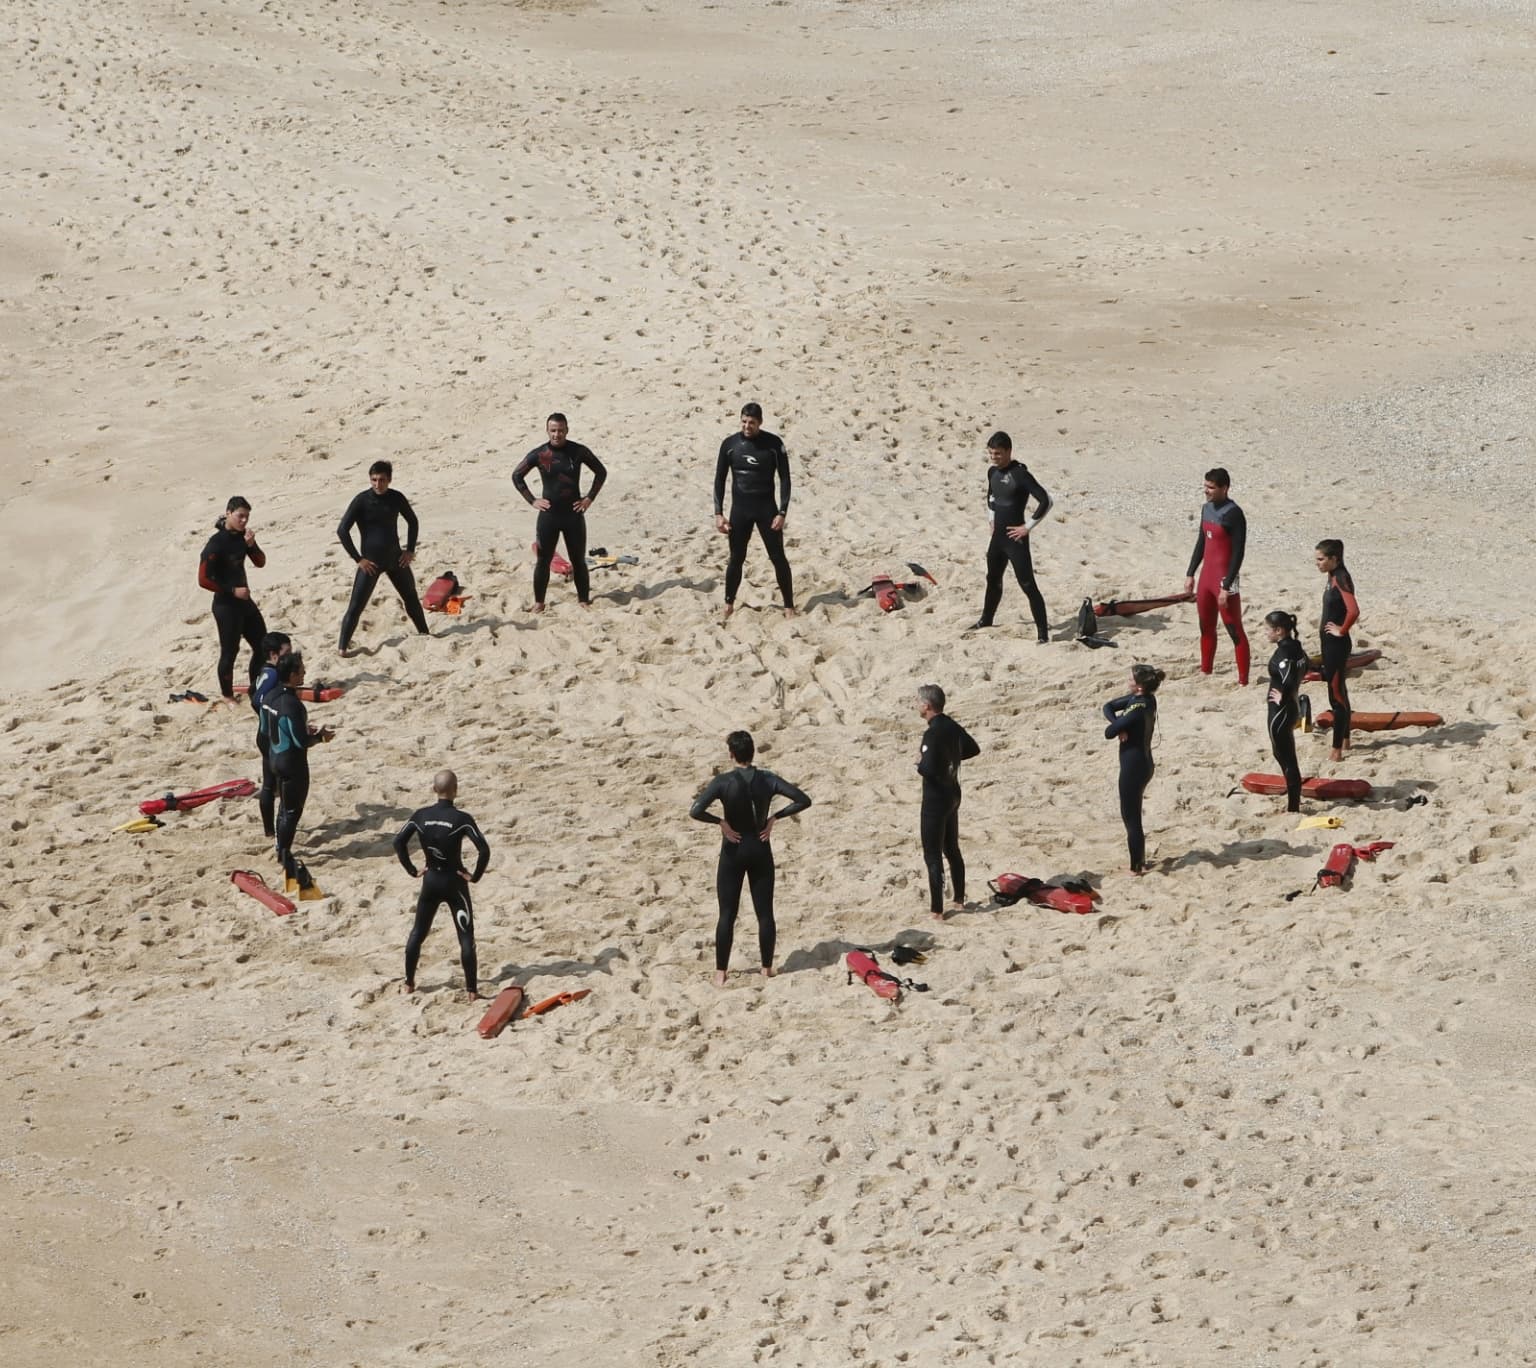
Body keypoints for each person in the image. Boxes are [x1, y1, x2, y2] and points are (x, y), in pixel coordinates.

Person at [689, 730, 811, 986]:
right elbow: (803, 800)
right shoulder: (767, 779)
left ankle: (720, 972)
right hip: (760, 847)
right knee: (765, 913)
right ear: (752, 752)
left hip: (733, 849)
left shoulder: (723, 781)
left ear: (731, 754)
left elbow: (696, 811)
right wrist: (774, 818)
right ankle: (767, 968)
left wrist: (721, 822)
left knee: (727, 914)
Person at [393, 769, 491, 1002]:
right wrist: (474, 876)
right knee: (466, 937)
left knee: (418, 933)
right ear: (455, 791)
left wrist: (413, 870)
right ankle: (471, 991)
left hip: (431, 882)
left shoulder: (420, 815)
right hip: (455, 883)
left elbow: (398, 842)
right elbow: (484, 850)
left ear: (434, 789)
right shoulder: (462, 819)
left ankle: (408, 983)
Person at [512, 413, 607, 612]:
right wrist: (532, 500)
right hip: (549, 516)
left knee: (578, 560)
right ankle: (539, 603)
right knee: (543, 561)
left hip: (573, 515)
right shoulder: (539, 454)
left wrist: (589, 498)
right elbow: (517, 476)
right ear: (547, 431)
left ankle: (583, 599)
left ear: (567, 430)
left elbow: (601, 472)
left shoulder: (578, 451)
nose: (557, 434)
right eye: (553, 430)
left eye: (561, 430)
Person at [336, 460, 431, 652]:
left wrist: (410, 550)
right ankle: (342, 648)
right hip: (371, 563)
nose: (377, 484)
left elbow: (413, 522)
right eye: (374, 480)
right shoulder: (362, 500)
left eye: (381, 480)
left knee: (411, 598)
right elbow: (342, 531)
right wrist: (358, 559)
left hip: (396, 559)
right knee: (356, 606)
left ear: (389, 480)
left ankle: (425, 634)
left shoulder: (396, 498)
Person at [714, 402, 795, 620]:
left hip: (766, 509)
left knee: (778, 557)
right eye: (744, 421)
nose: (747, 426)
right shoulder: (730, 445)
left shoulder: (773, 444)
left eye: (752, 422)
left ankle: (789, 606)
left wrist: (782, 512)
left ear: (760, 422)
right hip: (740, 510)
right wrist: (718, 513)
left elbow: (785, 478)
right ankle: (729, 604)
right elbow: (720, 480)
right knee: (736, 558)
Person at [260, 651, 333, 885]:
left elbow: (264, 729)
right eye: (301, 670)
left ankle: (279, 844)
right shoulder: (293, 704)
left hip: (274, 757)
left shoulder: (269, 696)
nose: (304, 672)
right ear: (292, 676)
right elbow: (301, 741)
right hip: (293, 763)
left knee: (283, 806)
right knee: (292, 811)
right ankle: (284, 853)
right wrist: (321, 737)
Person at [971, 431, 1051, 641]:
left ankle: (1043, 634)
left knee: (1027, 585)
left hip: (1016, 540)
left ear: (1008, 451)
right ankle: (986, 620)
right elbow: (991, 497)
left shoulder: (1020, 474)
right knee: (993, 578)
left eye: (997, 453)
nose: (993, 457)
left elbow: (1045, 501)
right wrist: (991, 518)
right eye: (990, 453)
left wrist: (1027, 527)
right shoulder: (992, 472)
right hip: (998, 538)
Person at [914, 684, 981, 920]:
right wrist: (950, 757)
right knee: (952, 849)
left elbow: (928, 769)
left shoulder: (932, 733)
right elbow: (973, 749)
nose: (916, 705)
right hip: (953, 793)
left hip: (935, 800)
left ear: (926, 705)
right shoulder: (951, 724)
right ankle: (959, 900)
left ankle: (937, 911)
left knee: (932, 855)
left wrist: (920, 761)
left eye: (918, 701)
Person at [1183, 468, 1250, 684]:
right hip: (1206, 578)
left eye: (1211, 488)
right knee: (1206, 625)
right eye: (1205, 486)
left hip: (1224, 579)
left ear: (1224, 488)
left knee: (1233, 628)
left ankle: (1243, 680)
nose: (1206, 491)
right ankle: (1206, 670)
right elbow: (1201, 542)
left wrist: (1227, 585)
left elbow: (1238, 553)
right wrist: (1190, 573)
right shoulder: (1206, 509)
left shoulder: (1234, 514)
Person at [198, 496, 267, 701]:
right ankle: (228, 696)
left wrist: (251, 545)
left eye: (247, 517)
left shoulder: (242, 537)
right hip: (225, 605)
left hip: (245, 603)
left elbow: (261, 562)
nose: (244, 521)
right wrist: (232, 591)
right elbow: (203, 579)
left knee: (262, 645)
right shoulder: (216, 543)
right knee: (230, 652)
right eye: (240, 516)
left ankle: (256, 687)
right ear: (228, 513)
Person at [1103, 664, 1164, 875]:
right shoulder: (1144, 699)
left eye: (1130, 679)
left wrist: (1118, 727)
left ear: (1138, 687)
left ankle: (1136, 867)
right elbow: (1108, 706)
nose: (1127, 681)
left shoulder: (1138, 708)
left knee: (1131, 818)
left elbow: (1109, 732)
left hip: (1134, 768)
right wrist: (1119, 723)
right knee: (1133, 816)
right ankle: (1139, 861)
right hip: (1143, 763)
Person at [1315, 539, 1359, 762]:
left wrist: (1342, 630)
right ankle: (1346, 740)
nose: (1317, 563)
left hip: (1336, 645)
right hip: (1329, 643)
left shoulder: (1340, 577)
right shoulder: (1332, 575)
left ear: (1334, 559)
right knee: (1340, 689)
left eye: (1321, 559)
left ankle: (1336, 751)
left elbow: (1353, 610)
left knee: (1336, 695)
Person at [1263, 610, 1309, 812]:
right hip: (1291, 708)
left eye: (1267, 629)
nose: (1265, 633)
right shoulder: (1296, 646)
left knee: (1286, 759)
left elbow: (1289, 677)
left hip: (1281, 713)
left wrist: (1283, 696)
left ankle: (1293, 807)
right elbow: (1303, 668)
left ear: (1279, 631)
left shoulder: (1283, 653)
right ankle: (1294, 802)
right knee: (1285, 756)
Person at [250, 631, 292, 839]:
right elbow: (257, 699)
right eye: (286, 653)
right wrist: (273, 715)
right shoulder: (273, 674)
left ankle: (269, 831)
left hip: (264, 732)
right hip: (270, 736)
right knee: (274, 785)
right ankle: (273, 830)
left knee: (269, 783)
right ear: (274, 655)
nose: (290, 657)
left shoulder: (265, 671)